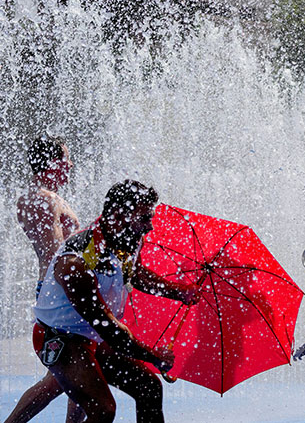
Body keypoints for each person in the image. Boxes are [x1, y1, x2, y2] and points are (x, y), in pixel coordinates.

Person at [32, 179, 199, 423]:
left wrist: (178, 291)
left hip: (92, 337)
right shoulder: (76, 262)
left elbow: (135, 273)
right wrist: (154, 357)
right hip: (61, 338)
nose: (149, 227)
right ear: (118, 216)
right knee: (103, 410)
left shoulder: (128, 239)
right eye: (144, 219)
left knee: (149, 388)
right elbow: (112, 331)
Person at [5, 137, 84, 423]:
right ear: (51, 163)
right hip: (60, 291)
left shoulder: (51, 197)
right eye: (65, 157)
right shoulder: (41, 198)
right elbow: (55, 254)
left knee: (83, 371)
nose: (71, 164)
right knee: (64, 376)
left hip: (61, 289)